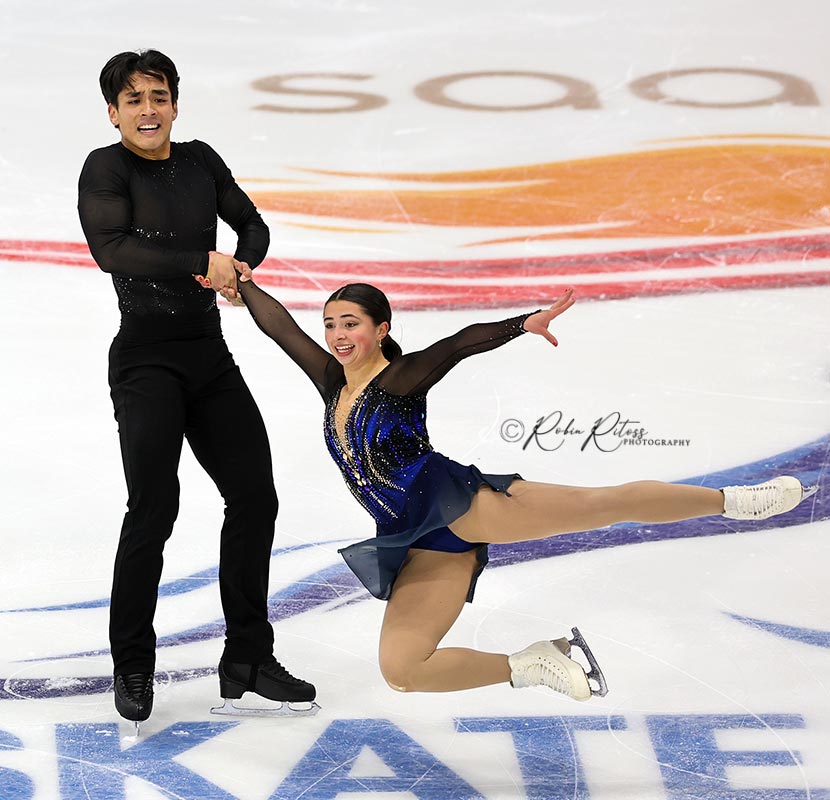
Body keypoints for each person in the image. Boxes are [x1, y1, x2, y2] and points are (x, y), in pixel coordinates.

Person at [214, 272, 807, 702]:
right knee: (402, 669)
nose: (338, 335)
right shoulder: (331, 381)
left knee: (604, 505)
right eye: (331, 325)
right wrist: (242, 284)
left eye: (352, 324)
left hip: (466, 507)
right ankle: (533, 664)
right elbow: (280, 328)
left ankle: (736, 501)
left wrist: (522, 324)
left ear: (381, 329)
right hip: (417, 542)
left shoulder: (400, 378)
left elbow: (458, 344)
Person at [77, 49, 315, 728]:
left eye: (159, 97)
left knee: (255, 496)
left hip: (209, 358)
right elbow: (112, 251)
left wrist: (239, 268)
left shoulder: (201, 159)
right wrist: (200, 261)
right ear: (114, 113)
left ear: (175, 105)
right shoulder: (107, 167)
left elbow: (253, 225)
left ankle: (248, 657)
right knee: (154, 507)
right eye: (134, 100)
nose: (148, 110)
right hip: (146, 361)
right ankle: (133, 663)